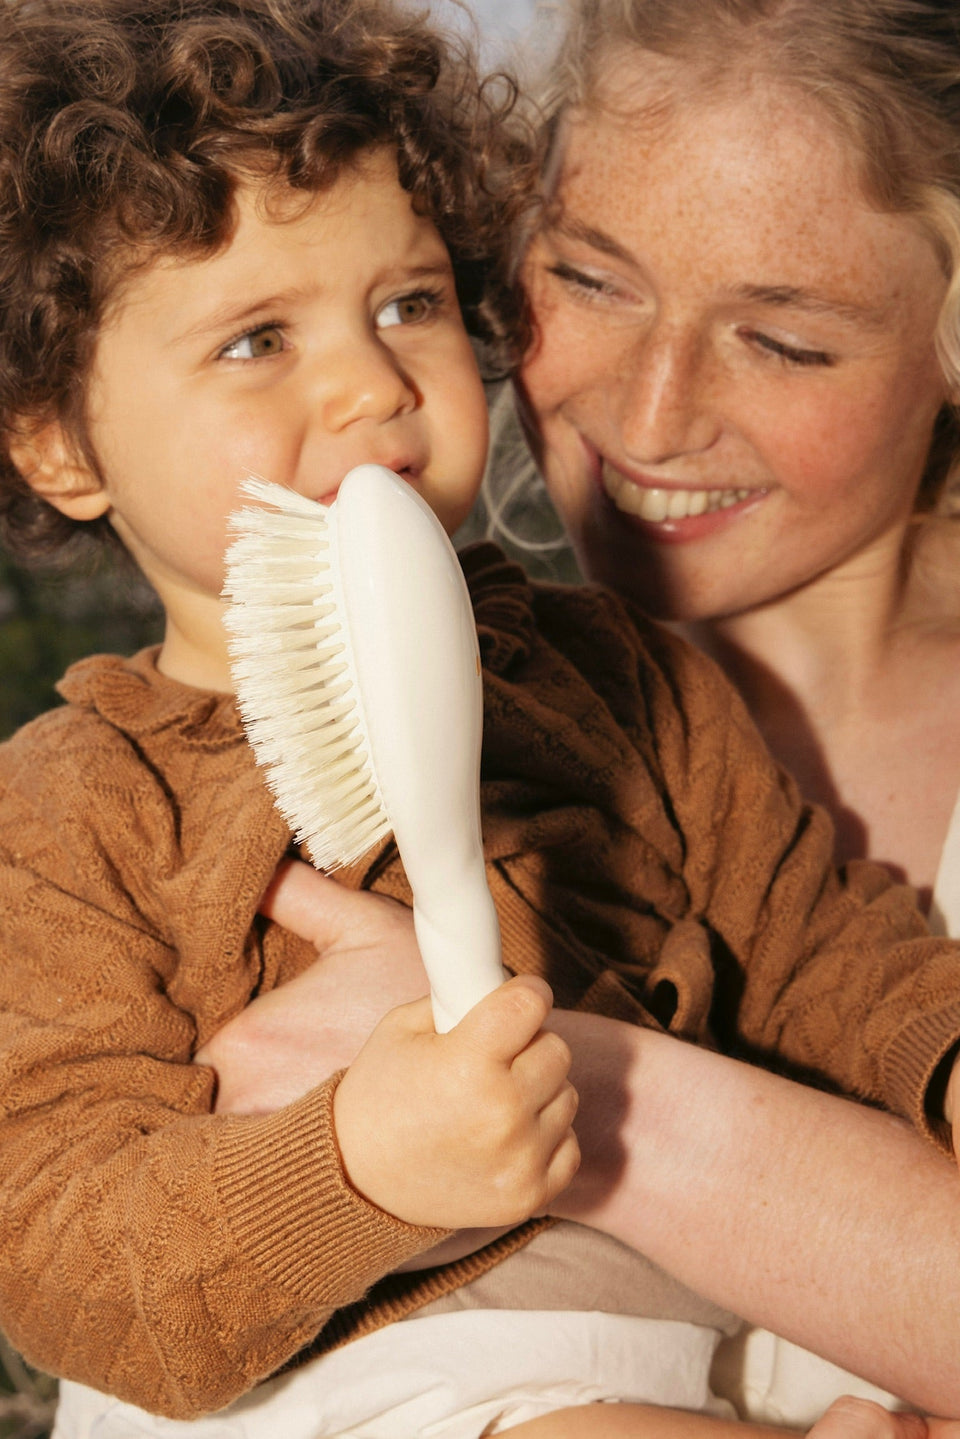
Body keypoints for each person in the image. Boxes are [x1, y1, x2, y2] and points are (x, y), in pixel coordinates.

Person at [1, 1, 959, 1437]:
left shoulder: (615, 678)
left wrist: (940, 1055)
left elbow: (826, 937)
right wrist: (355, 1165)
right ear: (61, 440)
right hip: (337, 1367)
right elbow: (61, 1245)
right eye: (257, 338)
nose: (372, 384)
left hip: (649, 1344)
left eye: (409, 304)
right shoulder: (72, 810)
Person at [500, 0, 960, 1421]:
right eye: (589, 278)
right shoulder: (397, 723)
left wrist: (583, 1095)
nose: (646, 418)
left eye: (782, 341)